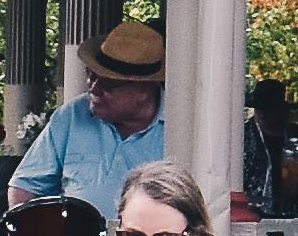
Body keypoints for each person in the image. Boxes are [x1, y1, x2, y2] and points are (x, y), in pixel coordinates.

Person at [9, 21, 175, 224]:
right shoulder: (72, 115)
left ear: (144, 90)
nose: (93, 89)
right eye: (91, 76)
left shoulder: (178, 128)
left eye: (108, 84)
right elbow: (25, 187)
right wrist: (29, 235)